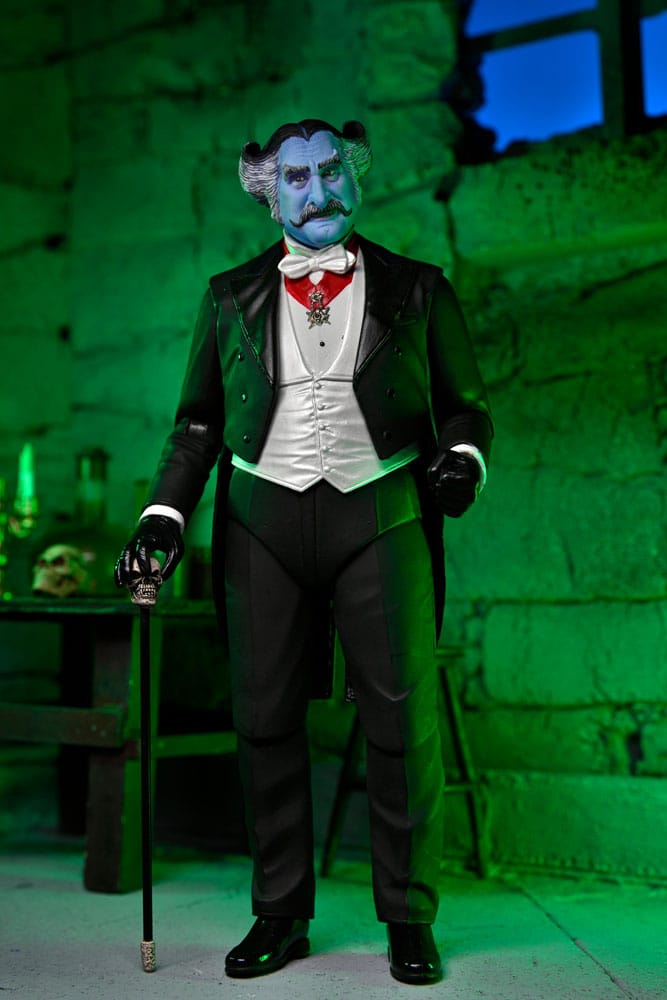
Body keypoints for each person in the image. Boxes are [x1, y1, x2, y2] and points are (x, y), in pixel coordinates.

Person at [115, 118, 493, 985]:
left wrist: (463, 460)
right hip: (261, 521)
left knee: (401, 717)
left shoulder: (419, 288)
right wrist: (164, 516)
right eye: (295, 177)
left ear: (355, 177)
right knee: (264, 717)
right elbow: (198, 424)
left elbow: (464, 406)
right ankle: (279, 911)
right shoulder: (228, 297)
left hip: (382, 512)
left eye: (330, 171)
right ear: (267, 192)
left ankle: (408, 916)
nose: (317, 192)